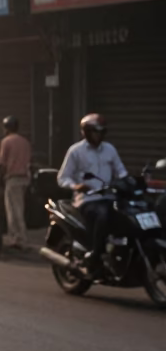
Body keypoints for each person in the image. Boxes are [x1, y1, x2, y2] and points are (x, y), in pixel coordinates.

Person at [57, 113, 127, 271]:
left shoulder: (110, 149)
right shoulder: (75, 151)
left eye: (101, 132)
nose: (98, 135)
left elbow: (121, 172)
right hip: (87, 200)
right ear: (86, 132)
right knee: (103, 214)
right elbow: (62, 178)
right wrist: (76, 186)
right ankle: (96, 253)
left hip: (109, 196)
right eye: (95, 131)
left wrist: (127, 182)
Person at [0, 116, 32, 250]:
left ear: (7, 128)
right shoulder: (25, 142)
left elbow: (2, 163)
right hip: (25, 178)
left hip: (13, 179)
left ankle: (19, 239)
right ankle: (18, 237)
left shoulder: (6, 141)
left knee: (14, 209)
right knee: (19, 208)